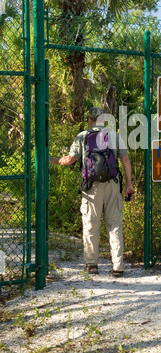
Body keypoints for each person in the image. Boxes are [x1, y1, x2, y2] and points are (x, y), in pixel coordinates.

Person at [50, 107, 135, 276]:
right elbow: (125, 160)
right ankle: (118, 266)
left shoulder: (83, 137)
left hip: (92, 187)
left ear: (90, 120)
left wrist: (51, 160)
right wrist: (129, 185)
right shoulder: (113, 135)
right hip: (112, 185)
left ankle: (92, 265)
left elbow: (70, 160)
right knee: (115, 225)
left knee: (91, 225)